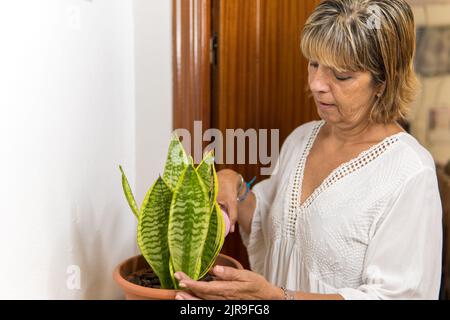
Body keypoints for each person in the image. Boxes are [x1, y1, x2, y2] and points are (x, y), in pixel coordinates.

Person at [174, 0, 443, 300]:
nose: (316, 83)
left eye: (341, 75)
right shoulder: (302, 138)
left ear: (383, 82)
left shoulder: (409, 172)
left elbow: (399, 297)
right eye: (314, 63)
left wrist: (279, 297)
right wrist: (232, 183)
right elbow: (272, 228)